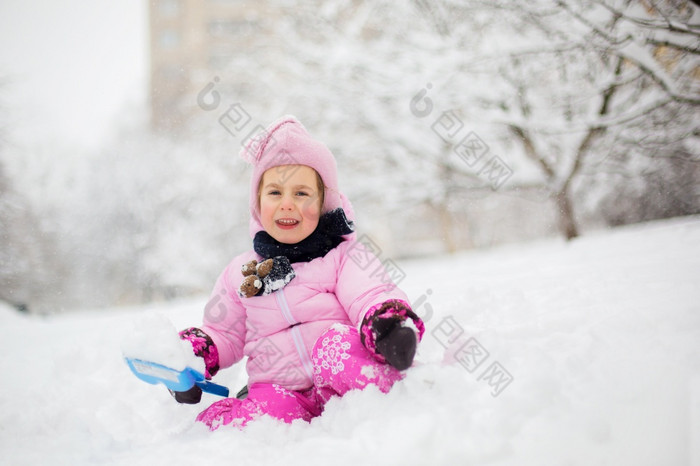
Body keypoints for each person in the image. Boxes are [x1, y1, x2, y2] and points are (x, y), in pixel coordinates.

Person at [174, 116, 425, 430]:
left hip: (341, 380)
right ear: (257, 203)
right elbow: (224, 333)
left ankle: (391, 390)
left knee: (336, 347)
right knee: (253, 417)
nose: (287, 204)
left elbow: (370, 294)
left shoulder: (342, 256)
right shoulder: (240, 274)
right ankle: (229, 425)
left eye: (302, 194)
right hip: (280, 390)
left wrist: (386, 327)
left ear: (322, 203)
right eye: (275, 193)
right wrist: (194, 358)